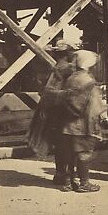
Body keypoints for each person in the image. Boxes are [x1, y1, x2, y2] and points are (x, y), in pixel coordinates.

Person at [26, 40, 77, 190]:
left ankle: (60, 173)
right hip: (64, 110)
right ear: (68, 53)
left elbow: (44, 89)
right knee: (68, 144)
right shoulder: (69, 69)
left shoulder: (54, 68)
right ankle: (68, 176)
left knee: (59, 144)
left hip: (52, 110)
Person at [60, 49, 105, 193]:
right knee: (84, 153)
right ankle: (84, 183)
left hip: (67, 124)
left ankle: (68, 182)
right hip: (83, 125)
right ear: (89, 65)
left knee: (69, 154)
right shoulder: (89, 81)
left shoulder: (70, 79)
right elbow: (94, 108)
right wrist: (98, 125)